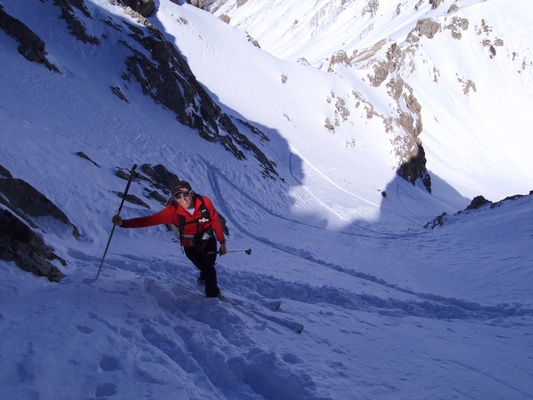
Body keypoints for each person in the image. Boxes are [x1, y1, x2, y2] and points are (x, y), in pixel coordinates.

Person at [112, 180, 227, 298]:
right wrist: (123, 223)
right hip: (191, 245)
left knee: (209, 264)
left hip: (208, 238)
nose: (183, 198)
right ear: (175, 198)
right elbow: (148, 221)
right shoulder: (172, 212)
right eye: (178, 196)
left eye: (185, 194)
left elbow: (214, 220)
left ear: (191, 193)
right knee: (210, 271)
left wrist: (222, 242)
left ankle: (203, 281)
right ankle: (213, 298)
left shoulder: (205, 202)